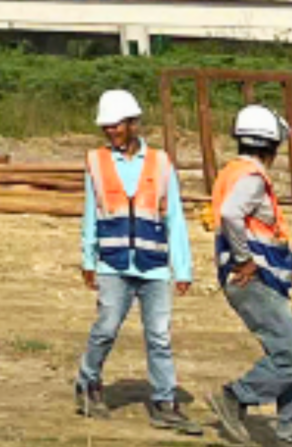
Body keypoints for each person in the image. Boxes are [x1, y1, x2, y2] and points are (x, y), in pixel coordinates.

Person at [74, 88, 200, 432]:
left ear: (132, 123)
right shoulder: (96, 162)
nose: (110, 131)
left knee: (159, 336)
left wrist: (183, 267)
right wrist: (88, 259)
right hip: (113, 262)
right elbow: (91, 213)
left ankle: (164, 401)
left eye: (116, 125)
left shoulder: (160, 163)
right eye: (106, 127)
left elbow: (174, 217)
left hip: (154, 264)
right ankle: (87, 382)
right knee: (106, 328)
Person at [209, 104, 292, 446]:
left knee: (290, 350)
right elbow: (230, 214)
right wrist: (244, 260)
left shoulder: (233, 171)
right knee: (290, 357)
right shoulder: (252, 177)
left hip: (259, 279)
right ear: (271, 144)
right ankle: (236, 397)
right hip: (252, 279)